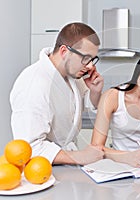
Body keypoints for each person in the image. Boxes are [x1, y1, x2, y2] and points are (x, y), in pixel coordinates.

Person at [10, 22, 104, 165]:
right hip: (41, 168)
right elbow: (30, 147)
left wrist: (95, 92)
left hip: (64, 164)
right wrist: (78, 157)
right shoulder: (34, 84)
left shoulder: (70, 75)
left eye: (92, 59)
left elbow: (80, 106)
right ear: (64, 52)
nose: (91, 66)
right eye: (86, 58)